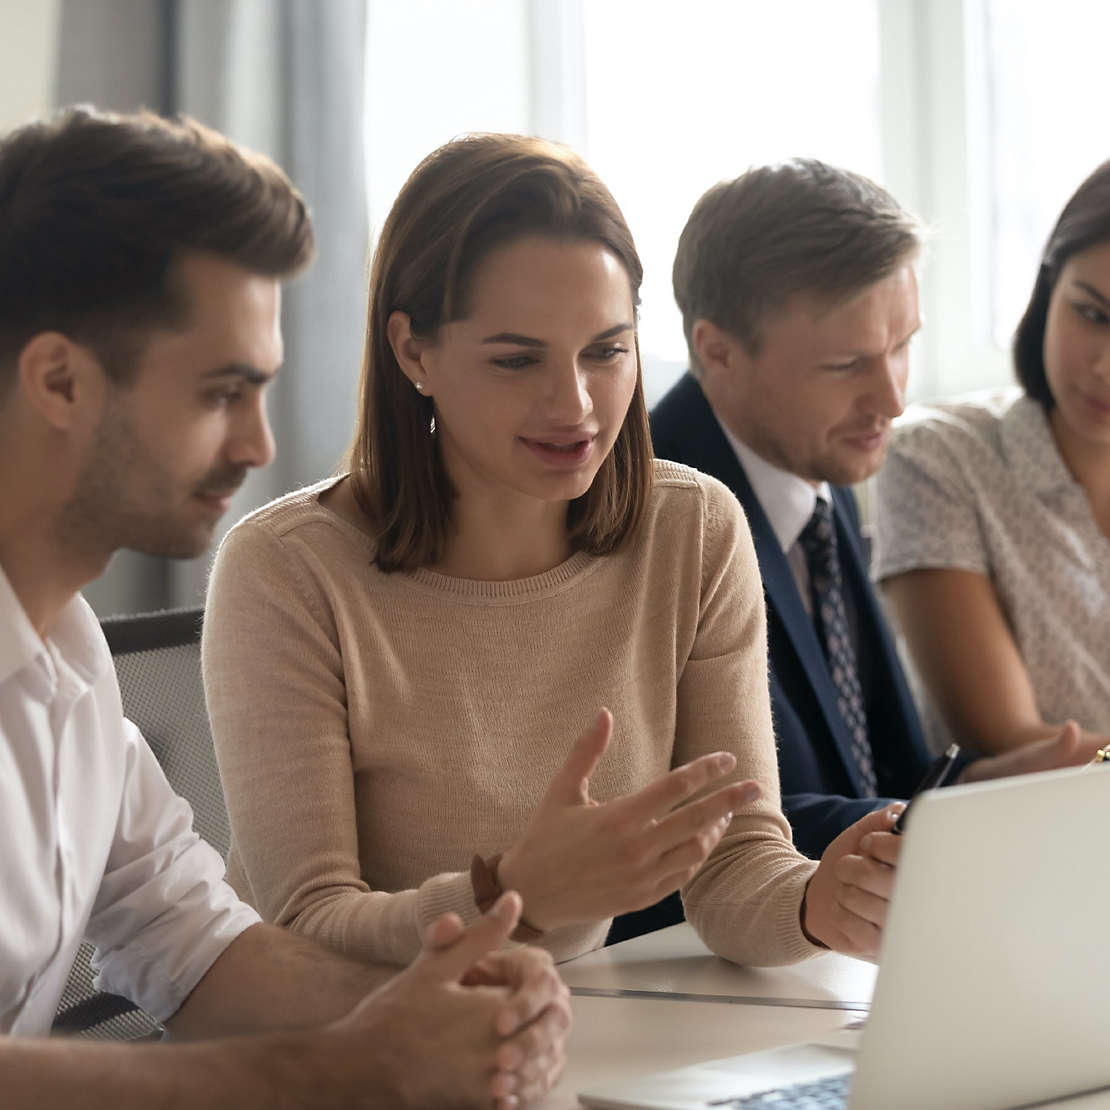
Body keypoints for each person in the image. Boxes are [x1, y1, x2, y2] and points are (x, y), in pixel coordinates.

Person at [202, 134, 904, 975]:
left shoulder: (694, 529)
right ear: (412, 350)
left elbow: (734, 865)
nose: (574, 405)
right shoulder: (287, 569)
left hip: (557, 1033)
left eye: (606, 351)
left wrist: (815, 902)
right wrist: (515, 896)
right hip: (348, 1055)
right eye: (515, 359)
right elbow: (306, 926)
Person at [0, 105, 569, 1109]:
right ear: (59, 380)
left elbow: (195, 945)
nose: (261, 446)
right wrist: (340, 1066)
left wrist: (441, 1006)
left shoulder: (68, 661)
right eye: (223, 392)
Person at [652, 158, 1102, 863]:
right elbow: (720, 821)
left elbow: (867, 780)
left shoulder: (817, 484)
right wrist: (950, 817)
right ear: (718, 352)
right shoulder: (654, 517)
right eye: (846, 365)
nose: (893, 400)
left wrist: (980, 789)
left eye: (902, 347)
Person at [874, 162, 1110, 756]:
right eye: (1093, 314)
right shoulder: (940, 457)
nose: (1105, 367)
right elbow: (1011, 745)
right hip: (1020, 838)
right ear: (1049, 287)